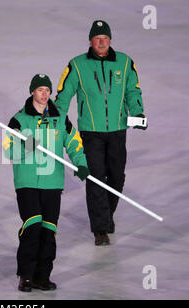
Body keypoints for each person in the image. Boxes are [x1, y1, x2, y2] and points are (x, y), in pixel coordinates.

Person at [54, 20, 147, 246]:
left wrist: (138, 112)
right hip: (90, 132)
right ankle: (100, 228)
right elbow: (64, 95)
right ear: (91, 41)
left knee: (116, 176)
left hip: (117, 130)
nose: (102, 42)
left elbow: (132, 91)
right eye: (97, 38)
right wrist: (55, 121)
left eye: (105, 38)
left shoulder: (125, 63)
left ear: (110, 40)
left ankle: (106, 215)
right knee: (96, 177)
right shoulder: (77, 65)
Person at [3, 74, 89, 292]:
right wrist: (27, 147)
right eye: (40, 90)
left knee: (48, 230)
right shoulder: (19, 119)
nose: (44, 94)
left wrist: (81, 163)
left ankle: (43, 276)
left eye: (47, 90)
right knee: (32, 226)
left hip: (52, 183)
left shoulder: (60, 118)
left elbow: (73, 143)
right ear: (32, 91)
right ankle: (26, 276)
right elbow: (7, 148)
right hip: (27, 182)